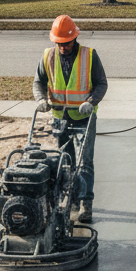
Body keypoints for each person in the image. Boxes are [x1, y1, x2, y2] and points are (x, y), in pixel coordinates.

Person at [34, 14, 108, 223]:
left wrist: (91, 101)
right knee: (65, 162)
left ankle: (85, 203)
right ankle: (71, 199)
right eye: (59, 43)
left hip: (84, 117)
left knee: (85, 162)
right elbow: (38, 82)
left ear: (74, 38)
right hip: (60, 118)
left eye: (66, 43)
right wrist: (40, 99)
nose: (63, 47)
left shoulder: (90, 56)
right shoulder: (48, 56)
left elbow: (102, 83)